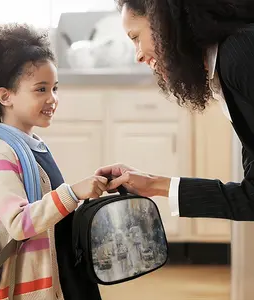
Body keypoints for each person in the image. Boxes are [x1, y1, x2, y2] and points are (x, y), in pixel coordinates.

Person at [0, 24, 107, 300]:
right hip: (32, 287)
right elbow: (18, 223)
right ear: (6, 96)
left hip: (59, 274)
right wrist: (74, 192)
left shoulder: (32, 145)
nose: (52, 99)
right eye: (40, 89)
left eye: (54, 88)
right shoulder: (1, 154)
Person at [96, 0, 254, 221]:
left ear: (165, 23)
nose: (138, 55)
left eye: (136, 37)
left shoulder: (241, 55)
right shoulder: (228, 61)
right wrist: (153, 184)